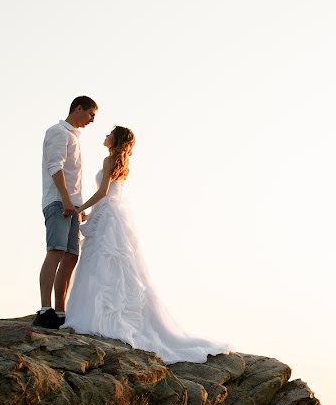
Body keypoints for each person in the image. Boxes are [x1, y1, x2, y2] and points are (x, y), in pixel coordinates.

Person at [62, 126, 230, 363]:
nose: (105, 136)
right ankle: (106, 313)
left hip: (108, 213)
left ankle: (99, 317)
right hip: (114, 214)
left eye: (109, 134)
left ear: (116, 140)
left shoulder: (109, 160)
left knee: (103, 261)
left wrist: (81, 208)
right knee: (115, 264)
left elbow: (102, 192)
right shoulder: (123, 164)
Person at [34, 95, 98, 329]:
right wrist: (65, 200)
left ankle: (61, 312)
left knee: (71, 255)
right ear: (78, 108)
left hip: (72, 205)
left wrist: (78, 206)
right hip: (59, 202)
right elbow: (55, 167)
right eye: (91, 114)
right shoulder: (58, 132)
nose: (92, 120)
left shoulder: (74, 137)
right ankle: (45, 309)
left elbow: (74, 177)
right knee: (56, 251)